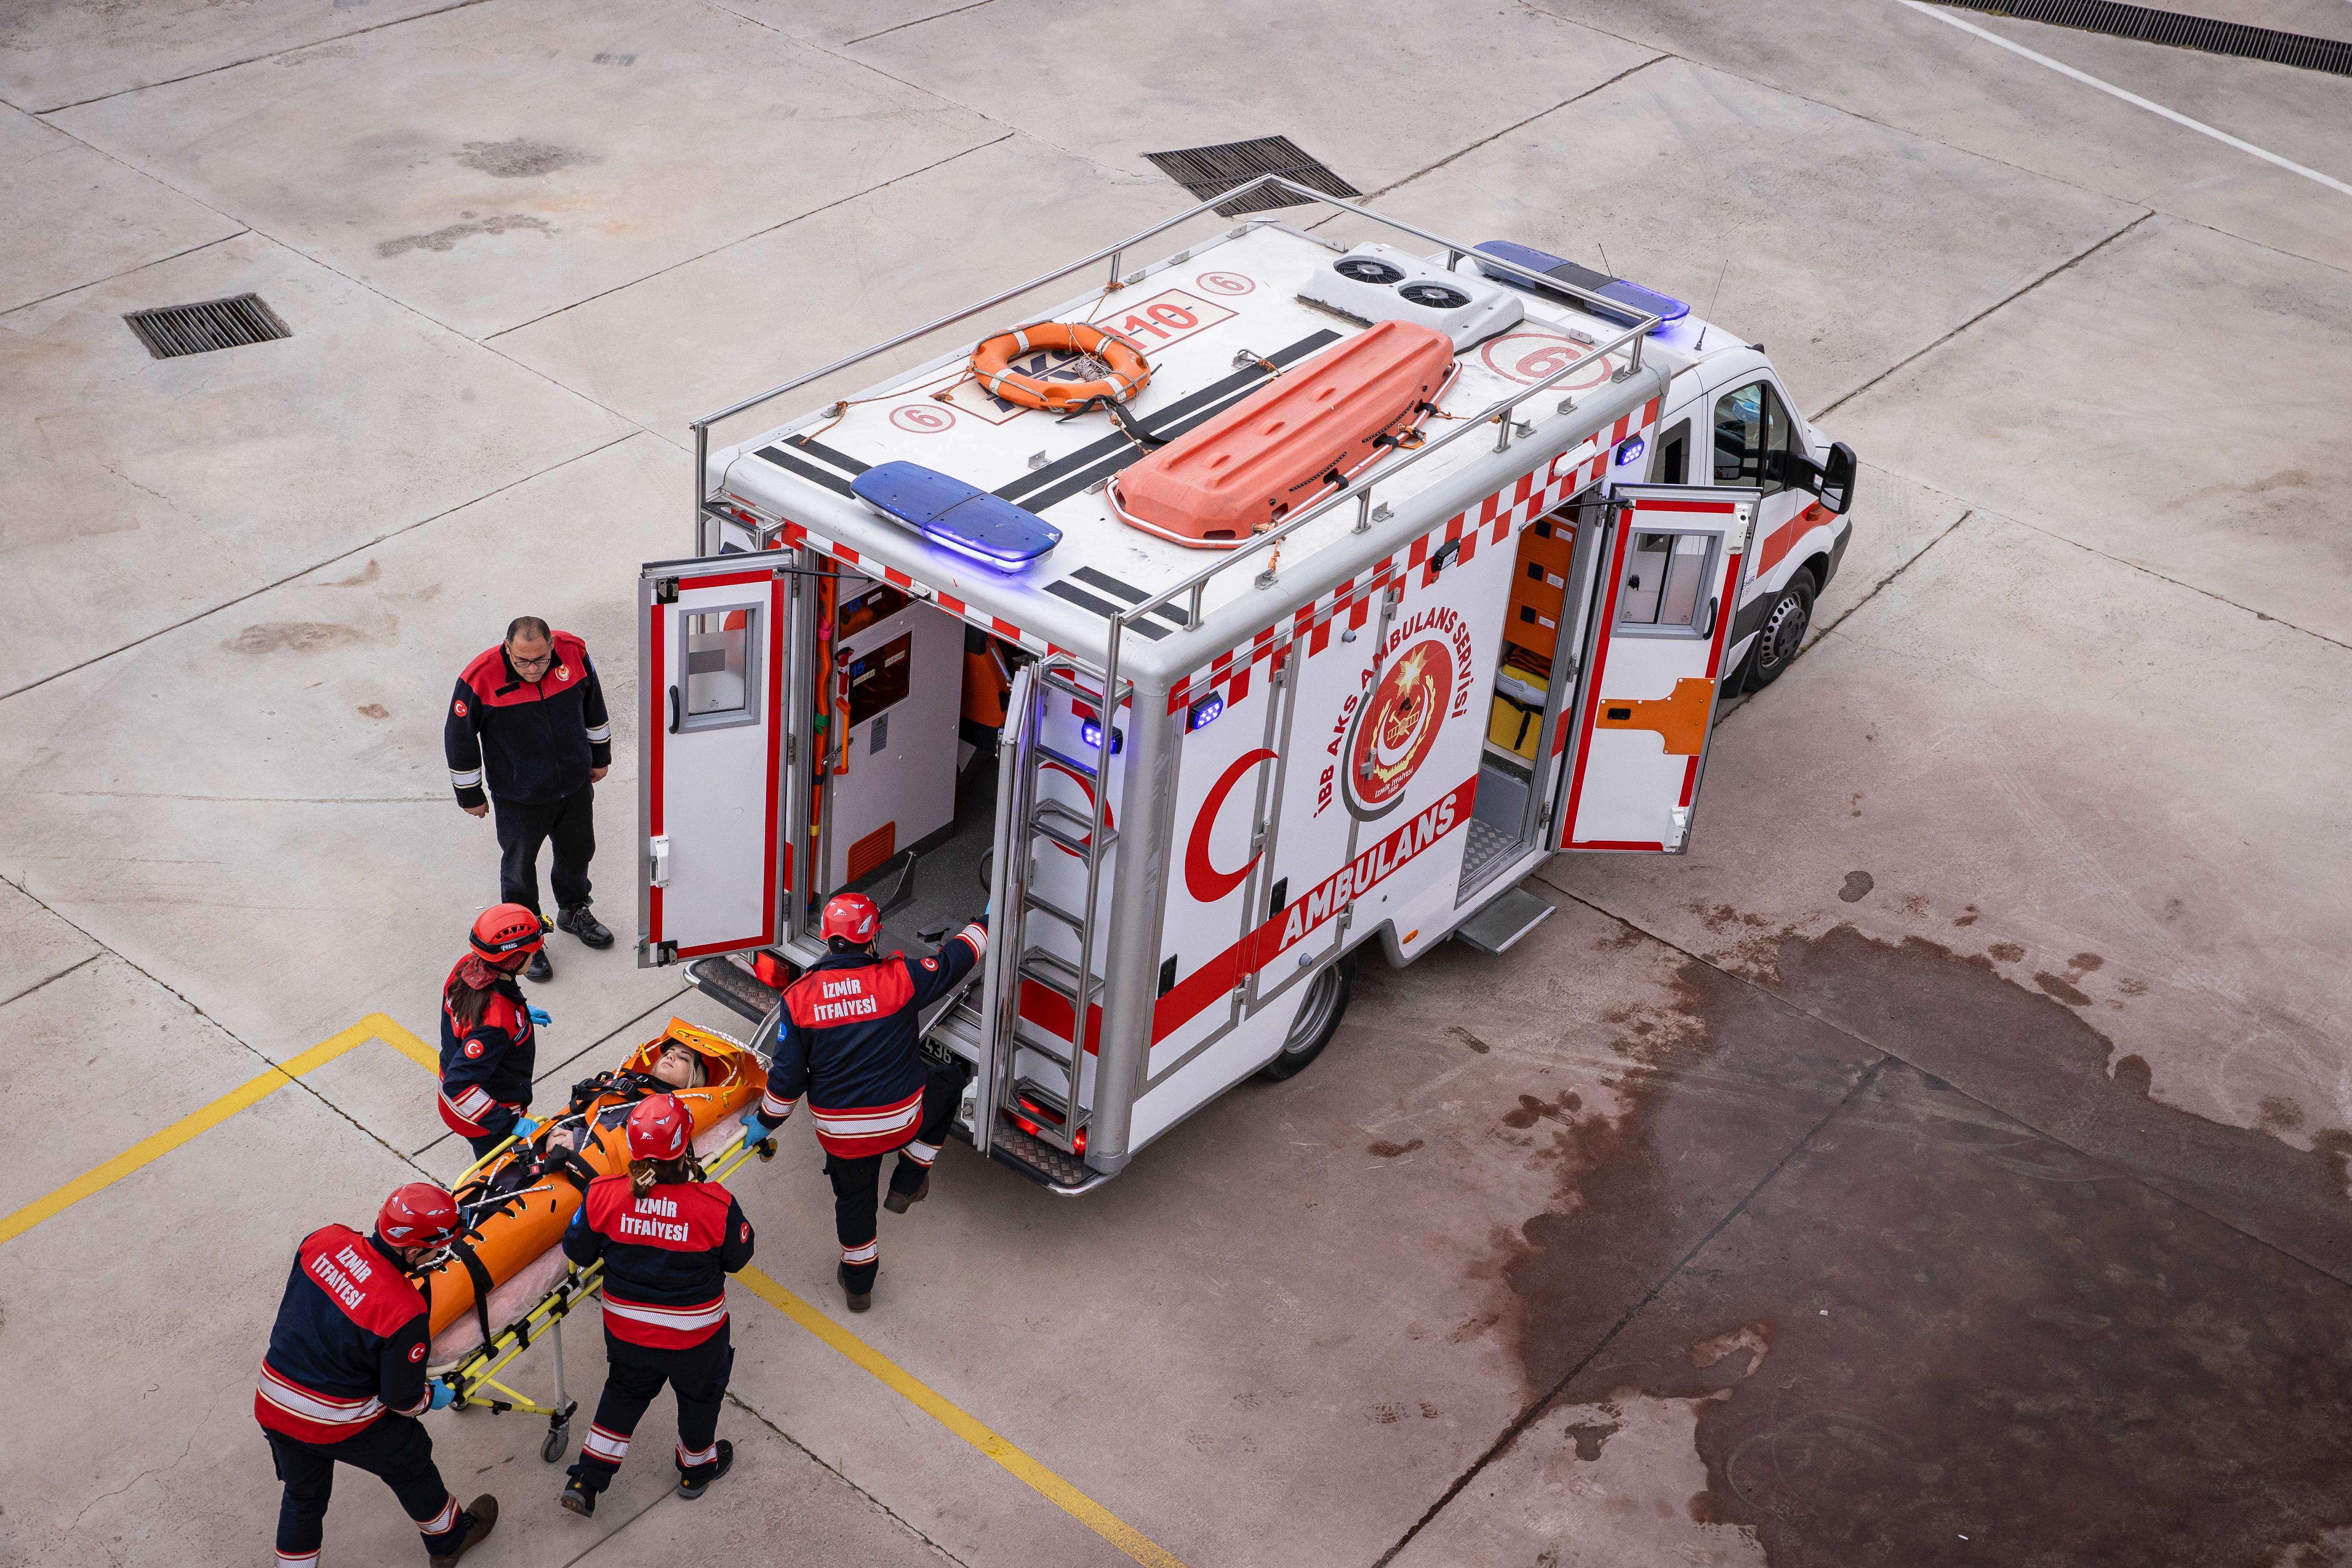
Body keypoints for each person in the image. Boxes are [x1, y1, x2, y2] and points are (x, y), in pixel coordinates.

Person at [738, 892, 983, 1312]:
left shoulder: (798, 1000)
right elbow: (955, 962)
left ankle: (859, 1287)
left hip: (841, 1136)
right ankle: (909, 1182)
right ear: (872, 939)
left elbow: (786, 1083)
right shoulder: (901, 979)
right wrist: (984, 925)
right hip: (901, 1121)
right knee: (949, 1082)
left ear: (827, 939)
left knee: (853, 1203)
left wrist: (765, 1122)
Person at [254, 1182, 497, 1566]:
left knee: (304, 1497)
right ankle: (450, 1540)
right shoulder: (404, 1311)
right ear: (414, 1249)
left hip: (274, 1402)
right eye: (436, 1249)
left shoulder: (323, 1240)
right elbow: (403, 1400)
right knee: (410, 1459)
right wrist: (435, 1396)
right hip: (335, 1419)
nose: (439, 1255)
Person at [559, 1094, 754, 1516]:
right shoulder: (714, 1206)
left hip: (628, 1334)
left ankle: (587, 1479)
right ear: (686, 1147)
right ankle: (696, 1469)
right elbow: (739, 1260)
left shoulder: (601, 1196)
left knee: (624, 1394)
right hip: (695, 1340)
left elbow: (577, 1250)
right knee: (700, 1400)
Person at [445, 615, 615, 983]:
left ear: (552, 646)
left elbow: (594, 708)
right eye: (523, 662)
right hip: (519, 797)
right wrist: (470, 795)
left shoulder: (574, 655)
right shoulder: (479, 678)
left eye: (541, 659)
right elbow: (459, 739)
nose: (533, 669)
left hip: (573, 785)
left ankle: (573, 911)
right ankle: (527, 940)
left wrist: (600, 757)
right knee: (520, 870)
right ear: (507, 649)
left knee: (578, 851)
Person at [439, 904, 548, 1162]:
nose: (536, 955)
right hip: (483, 1119)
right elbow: (459, 1086)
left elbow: (472, 1019)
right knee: (502, 1172)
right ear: (512, 960)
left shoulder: (467, 967)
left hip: (464, 1107)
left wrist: (519, 1012)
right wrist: (507, 1124)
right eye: (531, 952)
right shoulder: (496, 1025)